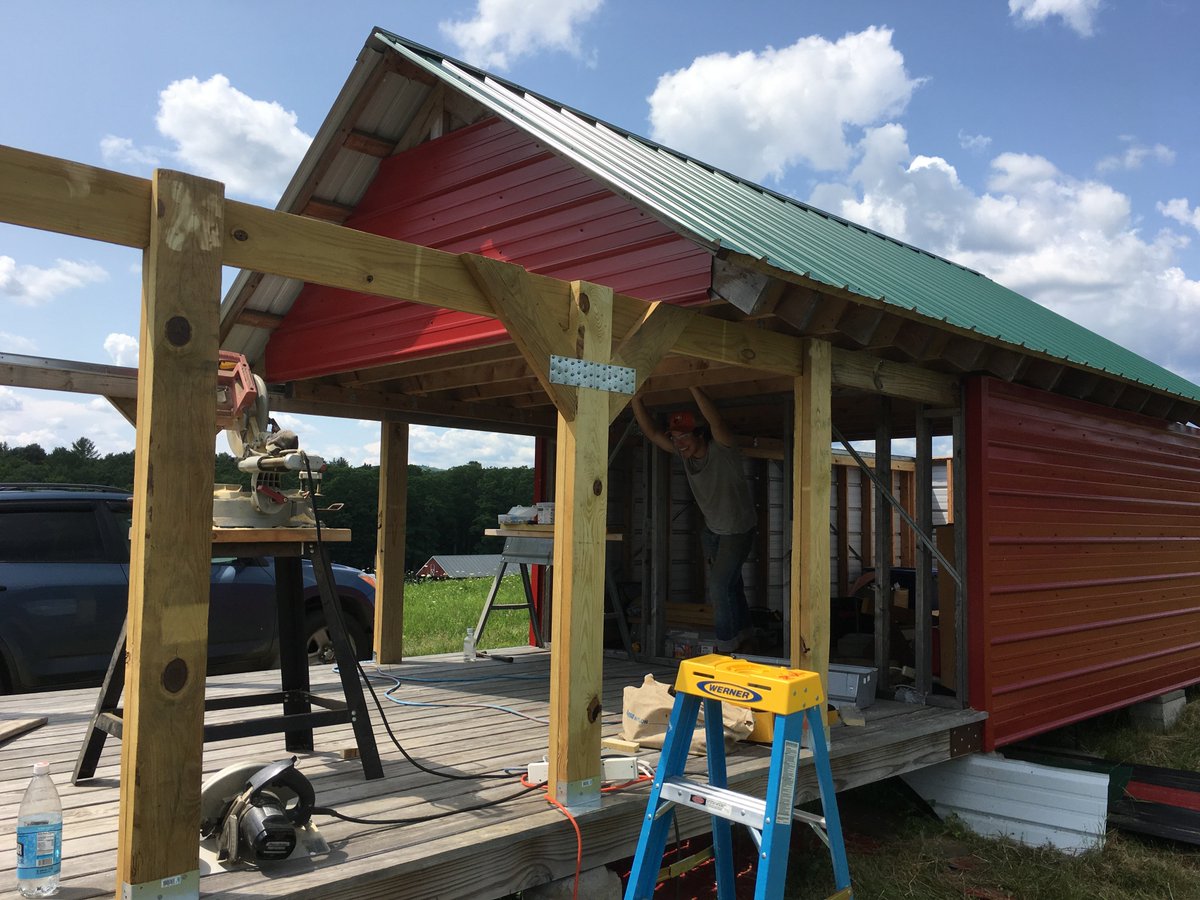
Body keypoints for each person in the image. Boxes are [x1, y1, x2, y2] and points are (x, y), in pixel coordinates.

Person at [631, 386, 757, 652]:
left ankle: (725, 645)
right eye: (675, 439)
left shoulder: (723, 449)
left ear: (700, 434)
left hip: (738, 530)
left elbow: (717, 422)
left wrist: (694, 386)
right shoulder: (683, 455)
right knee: (730, 583)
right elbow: (653, 433)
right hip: (712, 530)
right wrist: (636, 399)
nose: (679, 444)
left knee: (719, 585)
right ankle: (745, 631)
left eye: (683, 437)